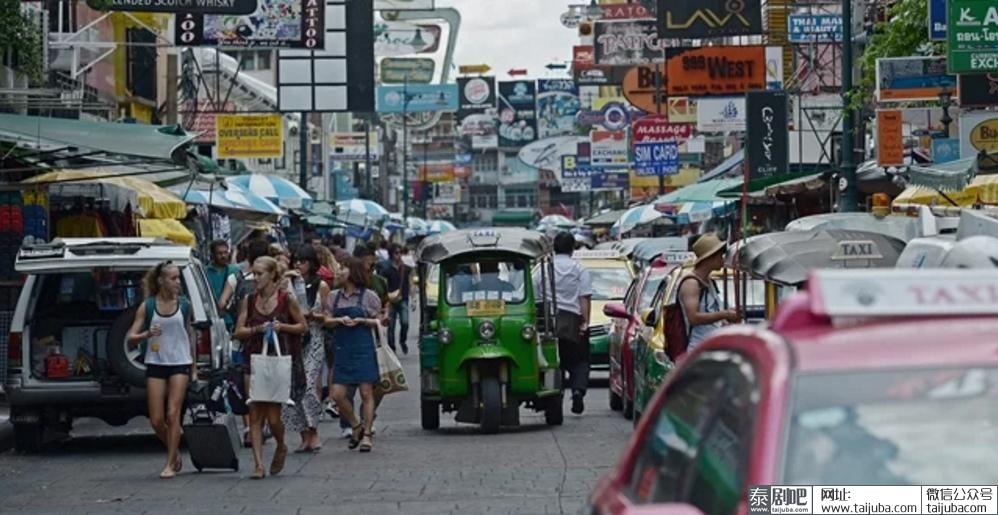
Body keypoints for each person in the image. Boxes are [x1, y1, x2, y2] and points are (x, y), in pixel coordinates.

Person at [233, 256, 308, 479]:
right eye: (253, 274)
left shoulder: (286, 300)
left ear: (272, 275)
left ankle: (281, 445)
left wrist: (281, 326)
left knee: (274, 418)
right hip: (253, 360)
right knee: (255, 413)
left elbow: (302, 326)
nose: (255, 278)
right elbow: (239, 331)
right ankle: (258, 464)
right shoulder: (249, 299)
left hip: (278, 359)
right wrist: (256, 329)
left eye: (259, 274)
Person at [126, 261, 196, 479]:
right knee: (156, 419)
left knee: (173, 413)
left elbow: (190, 335)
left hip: (179, 362)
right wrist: (146, 334)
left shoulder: (184, 305)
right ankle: (174, 447)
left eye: (178, 278)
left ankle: (169, 462)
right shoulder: (147, 306)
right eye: (173, 278)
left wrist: (193, 366)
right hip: (156, 361)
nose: (177, 283)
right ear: (161, 281)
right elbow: (131, 337)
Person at [322, 257, 383, 453]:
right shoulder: (333, 296)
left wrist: (362, 321)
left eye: (342, 269)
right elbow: (326, 320)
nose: (338, 272)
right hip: (342, 349)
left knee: (366, 393)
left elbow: (380, 321)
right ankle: (356, 425)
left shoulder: (369, 296)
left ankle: (366, 435)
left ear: (353, 272)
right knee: (337, 395)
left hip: (363, 348)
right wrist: (340, 319)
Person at [536, 232, 592, 415]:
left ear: (554, 247)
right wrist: (585, 322)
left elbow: (534, 292)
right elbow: (584, 298)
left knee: (552, 361)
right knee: (579, 361)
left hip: (548, 321)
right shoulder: (579, 269)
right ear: (572, 248)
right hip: (572, 320)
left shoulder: (543, 269)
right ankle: (577, 390)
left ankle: (553, 396)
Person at [280, 245, 330, 453]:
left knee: (309, 386)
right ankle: (303, 434)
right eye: (296, 261)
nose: (299, 265)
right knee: (293, 390)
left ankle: (314, 431)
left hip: (314, 339)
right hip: (293, 340)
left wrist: (312, 315)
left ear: (312, 263)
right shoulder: (287, 284)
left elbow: (328, 315)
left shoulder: (322, 286)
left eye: (303, 261)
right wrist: (284, 280)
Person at [678, 233, 740, 350]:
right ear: (709, 257)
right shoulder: (691, 283)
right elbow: (693, 318)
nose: (722, 259)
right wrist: (724, 314)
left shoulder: (708, 281)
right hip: (698, 349)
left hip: (713, 347)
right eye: (719, 256)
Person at [205, 240, 240, 330]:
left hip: (229, 319)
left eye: (225, 252)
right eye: (219, 253)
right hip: (211, 320)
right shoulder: (205, 272)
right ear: (213, 255)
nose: (223, 256)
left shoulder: (234, 271)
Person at [383, 243, 411, 354]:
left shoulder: (406, 268)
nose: (399, 255)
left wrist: (413, 298)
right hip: (391, 300)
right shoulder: (387, 270)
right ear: (391, 254)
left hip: (403, 298)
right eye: (396, 253)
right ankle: (392, 348)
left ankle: (402, 341)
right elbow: (384, 285)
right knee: (391, 326)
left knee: (405, 322)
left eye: (400, 253)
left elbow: (410, 284)